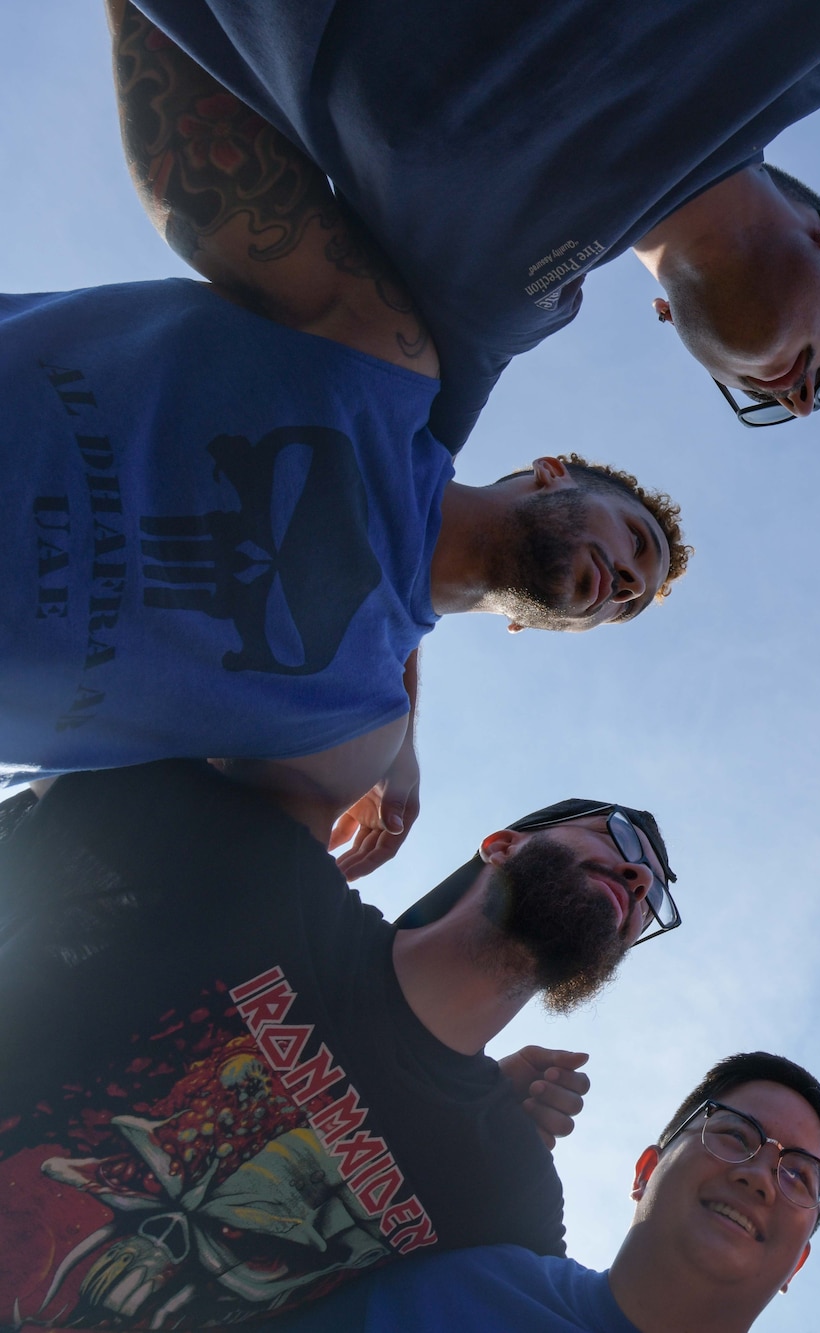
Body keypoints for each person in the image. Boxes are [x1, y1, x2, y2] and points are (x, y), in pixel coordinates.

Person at [3, 9, 689, 843]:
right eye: (637, 544)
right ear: (550, 471)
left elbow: (145, 876)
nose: (623, 585)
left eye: (625, 608)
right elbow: (195, 160)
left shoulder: (347, 744)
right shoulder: (379, 354)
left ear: (529, 628)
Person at [0, 763, 682, 1329]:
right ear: (502, 844)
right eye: (617, 836)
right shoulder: (272, 878)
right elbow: (69, 753)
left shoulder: (507, 1189)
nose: (640, 879)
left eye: (651, 902)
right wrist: (390, 744)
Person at [128, 0, 820, 446]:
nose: (801, 401)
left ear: (667, 318)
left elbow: (384, 515)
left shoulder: (489, 308)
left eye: (762, 402)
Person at [252, 1052, 820, 1333]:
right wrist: (426, 1124)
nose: (761, 1175)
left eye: (800, 1177)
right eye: (735, 1134)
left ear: (800, 1262)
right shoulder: (463, 1273)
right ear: (645, 1171)